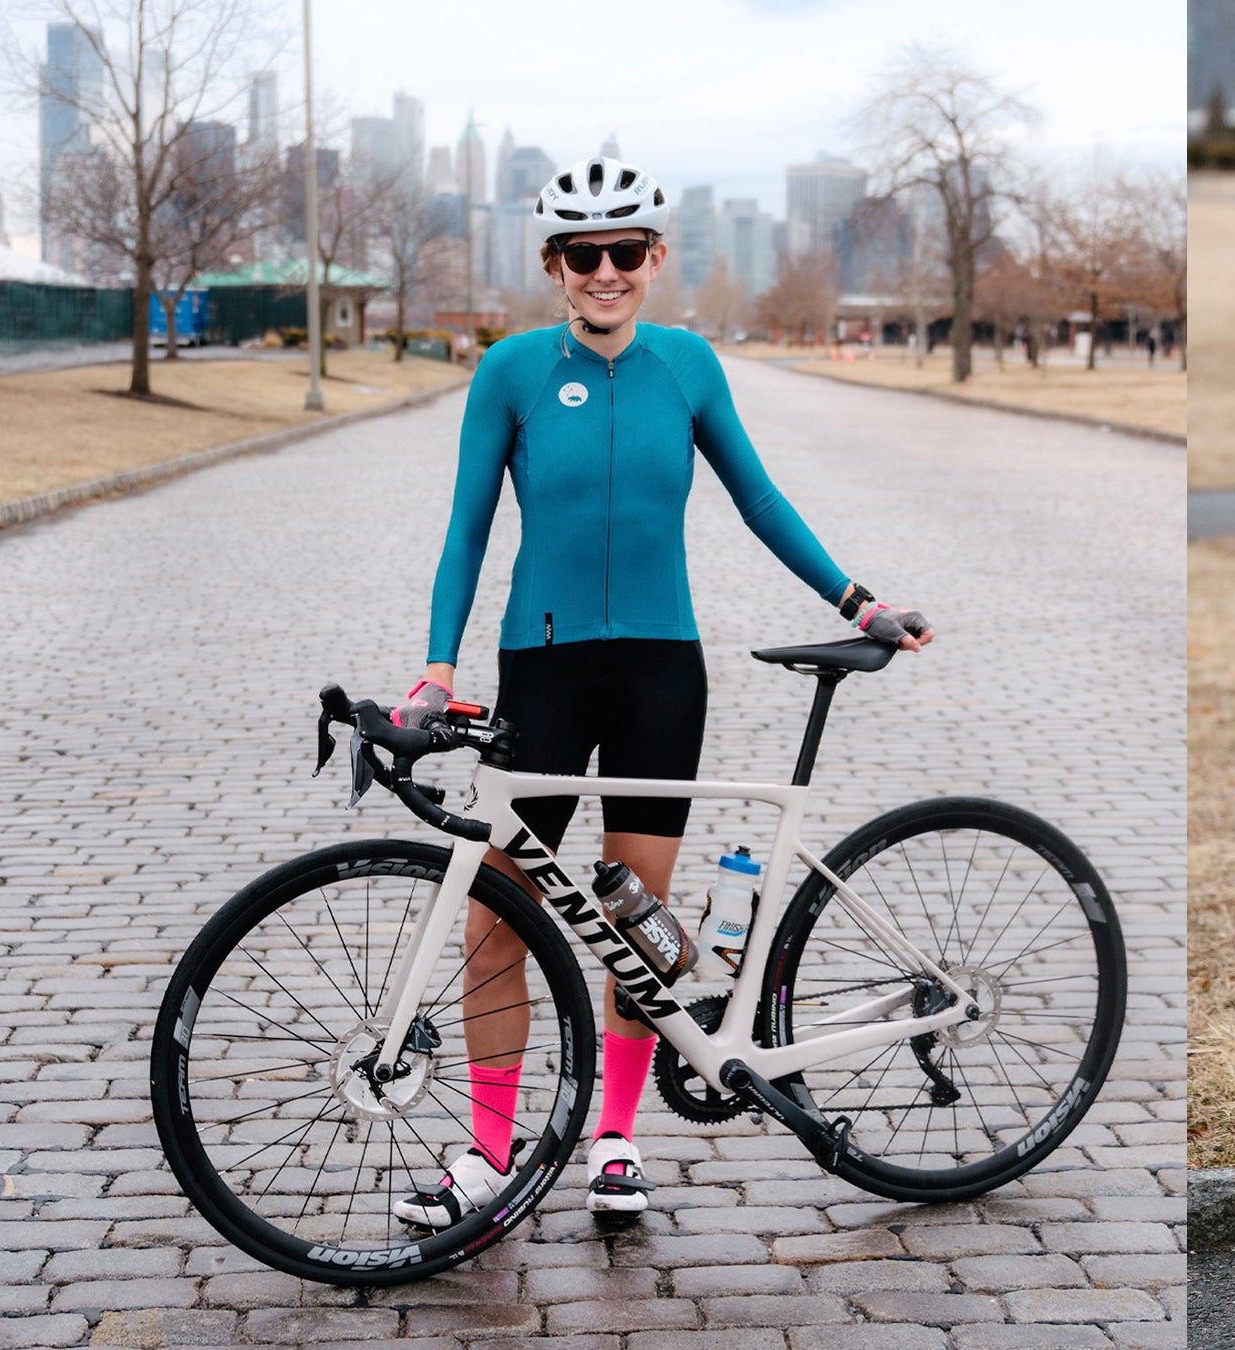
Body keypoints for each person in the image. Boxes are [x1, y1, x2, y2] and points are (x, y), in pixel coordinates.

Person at [389, 155, 932, 1228]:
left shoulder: (688, 367)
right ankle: (488, 1155)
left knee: (636, 921)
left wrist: (858, 601)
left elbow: (760, 500)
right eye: (583, 254)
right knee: (499, 919)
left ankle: (619, 1143)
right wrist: (438, 664)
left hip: (656, 677)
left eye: (624, 252)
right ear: (554, 264)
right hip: (541, 671)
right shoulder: (508, 372)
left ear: (655, 258)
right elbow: (466, 528)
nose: (606, 271)